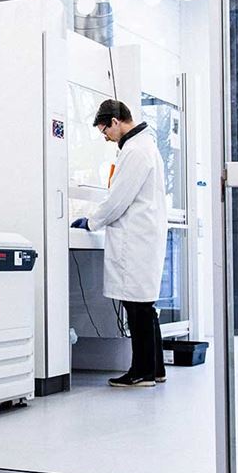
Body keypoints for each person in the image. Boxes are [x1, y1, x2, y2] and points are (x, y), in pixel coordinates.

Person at [72, 99, 169, 388]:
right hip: (142, 236)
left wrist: (90, 222)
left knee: (137, 307)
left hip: (136, 238)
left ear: (115, 121)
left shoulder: (136, 151)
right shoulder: (143, 146)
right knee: (144, 306)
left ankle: (141, 372)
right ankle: (156, 369)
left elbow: (118, 199)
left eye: (105, 131)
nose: (105, 137)